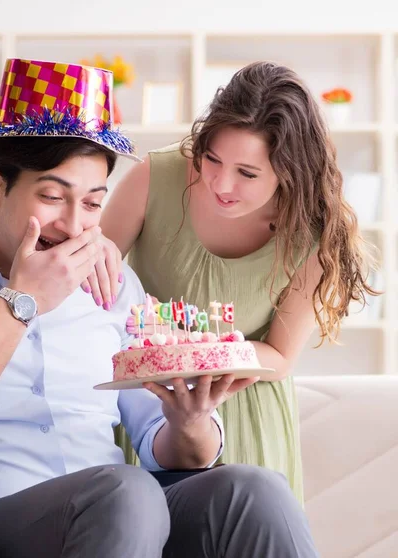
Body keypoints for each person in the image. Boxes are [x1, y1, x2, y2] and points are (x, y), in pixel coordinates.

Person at [0, 58, 319, 557]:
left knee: (253, 492)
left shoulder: (109, 283)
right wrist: (20, 302)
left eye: (92, 204)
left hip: (115, 519)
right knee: (123, 492)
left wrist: (190, 421)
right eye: (52, 196)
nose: (73, 225)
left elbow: (167, 445)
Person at [98, 60, 379, 504]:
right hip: (150, 410)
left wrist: (191, 354)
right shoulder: (155, 178)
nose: (221, 184)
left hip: (244, 409)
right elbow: (88, 282)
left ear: (289, 172)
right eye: (212, 159)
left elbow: (281, 356)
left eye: (247, 173)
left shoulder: (314, 233)